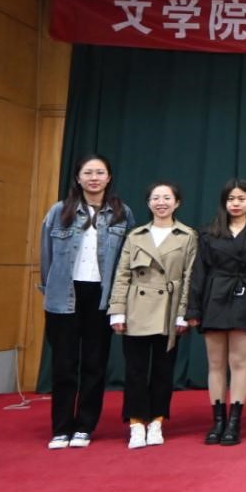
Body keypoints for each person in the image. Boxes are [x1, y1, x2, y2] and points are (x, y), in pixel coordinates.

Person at [39, 154, 134, 449]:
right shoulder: (59, 211)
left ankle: (84, 426)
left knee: (95, 364)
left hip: (101, 297)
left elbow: (127, 259)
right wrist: (50, 289)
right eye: (88, 173)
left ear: (109, 178)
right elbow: (46, 255)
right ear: (78, 178)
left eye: (100, 172)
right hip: (64, 297)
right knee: (64, 364)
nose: (94, 178)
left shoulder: (122, 213)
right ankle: (61, 428)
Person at [108, 181, 196, 449]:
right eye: (156, 198)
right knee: (135, 370)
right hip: (136, 307)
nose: (161, 203)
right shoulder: (136, 235)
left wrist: (183, 313)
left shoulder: (187, 236)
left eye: (167, 198)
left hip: (168, 309)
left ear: (177, 203)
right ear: (148, 203)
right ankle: (136, 423)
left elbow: (189, 276)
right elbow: (122, 274)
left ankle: (157, 421)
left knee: (163, 370)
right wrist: (117, 310)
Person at [187, 179, 246, 446]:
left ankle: (234, 422)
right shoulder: (208, 232)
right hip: (213, 297)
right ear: (224, 202)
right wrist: (194, 308)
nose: (236, 203)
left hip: (245, 297)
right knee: (215, 363)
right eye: (231, 199)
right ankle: (218, 421)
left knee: (239, 362)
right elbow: (198, 273)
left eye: (241, 199)